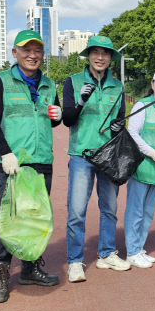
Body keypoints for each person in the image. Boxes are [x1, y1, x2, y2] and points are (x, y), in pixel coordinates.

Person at [0, 30, 62, 303]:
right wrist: (5, 153)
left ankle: (30, 269)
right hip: (12, 164)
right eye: (26, 50)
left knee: (36, 216)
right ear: (15, 53)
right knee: (6, 218)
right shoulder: (0, 81)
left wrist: (58, 114)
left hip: (42, 161)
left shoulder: (50, 84)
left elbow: (52, 119)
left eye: (37, 51)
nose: (32, 55)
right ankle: (0, 273)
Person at [62, 35, 129, 282]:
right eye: (95, 52)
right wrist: (81, 101)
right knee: (77, 211)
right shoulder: (73, 81)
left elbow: (120, 120)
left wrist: (116, 128)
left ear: (111, 58)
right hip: (82, 155)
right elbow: (67, 119)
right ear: (88, 55)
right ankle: (75, 261)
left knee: (110, 208)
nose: (100, 57)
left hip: (109, 155)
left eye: (105, 53)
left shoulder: (118, 86)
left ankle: (107, 253)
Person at [124, 68, 155, 268]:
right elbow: (133, 134)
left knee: (147, 211)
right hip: (142, 166)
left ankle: (139, 247)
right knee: (136, 210)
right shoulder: (142, 105)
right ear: (152, 84)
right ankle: (132, 251)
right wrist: (151, 152)